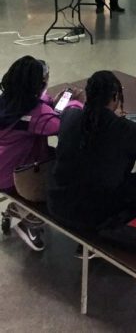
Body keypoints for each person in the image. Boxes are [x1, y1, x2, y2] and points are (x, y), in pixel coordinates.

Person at [48, 71, 136, 232]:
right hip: (94, 215)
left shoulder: (70, 115)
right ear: (115, 97)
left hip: (58, 202)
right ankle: (123, 229)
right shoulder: (122, 128)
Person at [0, 57, 83, 251]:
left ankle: (22, 212)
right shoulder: (37, 116)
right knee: (72, 176)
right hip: (17, 177)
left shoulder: (7, 103)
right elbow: (65, 126)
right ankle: (28, 217)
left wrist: (51, 101)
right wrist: (76, 104)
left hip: (5, 165)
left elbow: (34, 111)